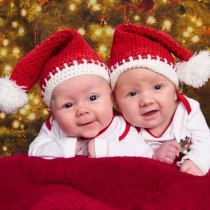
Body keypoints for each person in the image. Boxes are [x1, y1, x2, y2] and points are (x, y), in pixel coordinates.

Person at [0, 28, 153, 159]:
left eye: (92, 98)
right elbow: (34, 150)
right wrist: (64, 148)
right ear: (51, 111)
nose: (82, 111)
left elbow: (145, 152)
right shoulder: (54, 127)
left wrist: (104, 148)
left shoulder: (119, 126)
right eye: (68, 105)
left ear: (111, 97)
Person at [108, 24, 210, 176]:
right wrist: (154, 153)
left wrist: (197, 161)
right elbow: (113, 150)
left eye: (157, 87)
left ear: (175, 91)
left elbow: (204, 140)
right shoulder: (120, 124)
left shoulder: (187, 110)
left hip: (186, 169)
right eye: (132, 93)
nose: (146, 100)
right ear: (116, 103)